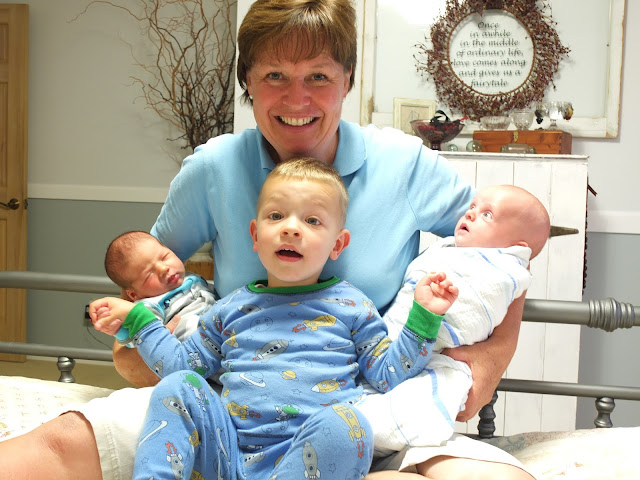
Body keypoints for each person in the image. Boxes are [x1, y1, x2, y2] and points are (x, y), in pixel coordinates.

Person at [0, 1, 531, 479]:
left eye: (318, 75)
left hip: (360, 409)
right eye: (275, 74)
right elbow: (145, 287)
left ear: (347, 79)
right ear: (247, 81)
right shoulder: (213, 171)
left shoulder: (405, 165)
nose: (297, 98)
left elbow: (506, 253)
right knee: (54, 444)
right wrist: (142, 342)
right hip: (227, 404)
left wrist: (494, 355)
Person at [89, 158, 454, 479]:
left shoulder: (352, 305)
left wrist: (425, 315)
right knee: (179, 386)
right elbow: (181, 365)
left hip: (308, 458)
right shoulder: (230, 308)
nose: (290, 228)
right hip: (227, 456)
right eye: (276, 216)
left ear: (337, 244)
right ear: (255, 235)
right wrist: (140, 320)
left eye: (312, 220)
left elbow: (387, 373)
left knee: (350, 424)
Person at [358, 185, 550, 461]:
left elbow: (488, 296)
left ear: (516, 249)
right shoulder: (444, 252)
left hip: (436, 356)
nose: (470, 214)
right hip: (382, 351)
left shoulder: (502, 271)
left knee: (410, 404)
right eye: (472, 207)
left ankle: (371, 436)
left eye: (487, 215)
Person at [102, 230, 217, 346]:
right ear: (134, 294)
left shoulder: (191, 278)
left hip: (220, 327)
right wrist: (119, 331)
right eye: (149, 273)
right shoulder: (150, 305)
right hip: (195, 344)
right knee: (190, 324)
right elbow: (140, 339)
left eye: (164, 257)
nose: (163, 269)